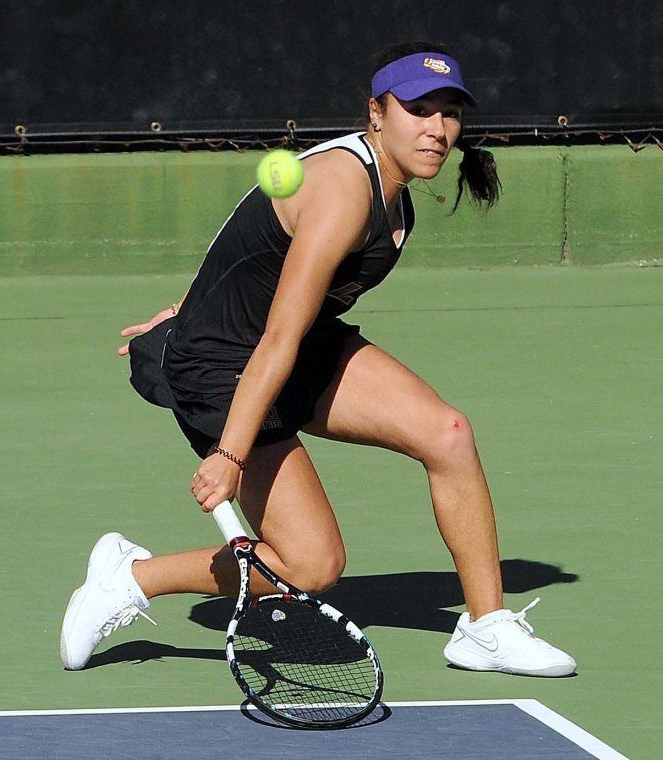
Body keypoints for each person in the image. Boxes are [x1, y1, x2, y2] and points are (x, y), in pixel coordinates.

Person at [61, 41, 576, 678]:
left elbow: (258, 260)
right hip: (223, 365)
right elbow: (273, 337)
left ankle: (485, 626)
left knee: (448, 433)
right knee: (312, 566)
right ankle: (131, 578)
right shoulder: (343, 189)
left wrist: (188, 303)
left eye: (448, 113)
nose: (437, 129)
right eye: (417, 109)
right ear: (376, 113)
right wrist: (228, 453)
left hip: (291, 344)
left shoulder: (397, 195)